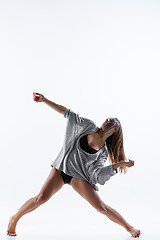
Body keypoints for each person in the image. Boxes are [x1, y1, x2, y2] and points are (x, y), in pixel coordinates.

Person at [7, 92, 141, 238]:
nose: (109, 120)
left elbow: (98, 174)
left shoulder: (102, 153)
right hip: (61, 168)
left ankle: (129, 228)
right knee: (40, 198)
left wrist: (119, 164)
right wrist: (44, 100)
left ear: (115, 131)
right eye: (108, 119)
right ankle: (14, 218)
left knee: (101, 208)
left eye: (113, 121)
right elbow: (67, 113)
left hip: (77, 176)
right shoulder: (88, 125)